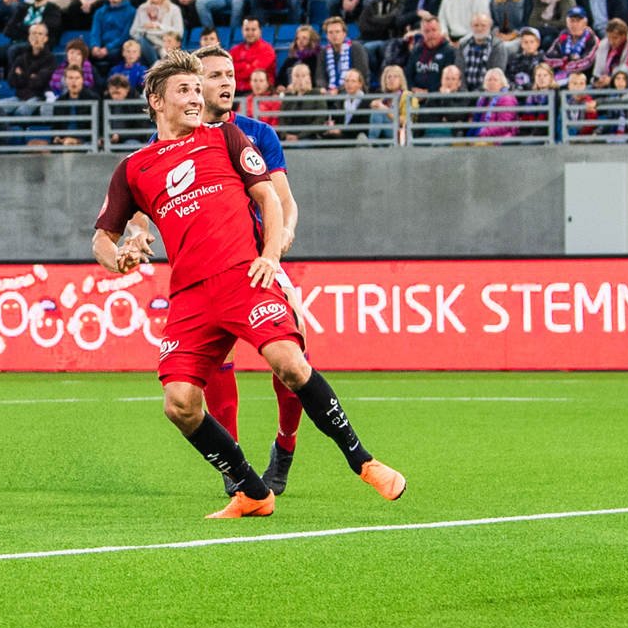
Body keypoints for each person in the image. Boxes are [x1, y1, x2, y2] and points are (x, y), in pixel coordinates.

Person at [91, 51, 405, 517]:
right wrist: (118, 258)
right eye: (185, 90)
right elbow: (103, 235)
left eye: (199, 89)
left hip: (245, 274)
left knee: (290, 364)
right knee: (179, 404)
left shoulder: (227, 138)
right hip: (190, 296)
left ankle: (363, 461)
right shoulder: (135, 167)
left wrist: (270, 255)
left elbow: (270, 199)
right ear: (156, 101)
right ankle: (251, 491)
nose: (197, 97)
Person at [118, 45, 306, 498]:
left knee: (292, 366)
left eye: (228, 75)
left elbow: (282, 199)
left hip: (258, 265)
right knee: (215, 366)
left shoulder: (256, 132)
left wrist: (276, 246)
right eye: (212, 76)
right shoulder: (164, 150)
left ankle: (285, 446)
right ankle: (234, 460)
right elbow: (137, 214)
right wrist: (133, 235)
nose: (224, 83)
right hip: (206, 275)